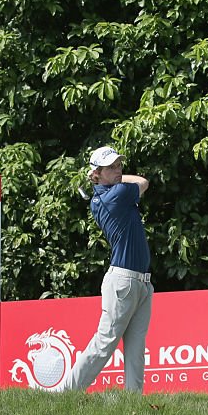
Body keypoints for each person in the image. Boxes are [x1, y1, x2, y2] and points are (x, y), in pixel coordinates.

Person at [68, 145, 154, 392]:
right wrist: (114, 178)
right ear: (96, 174)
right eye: (111, 167)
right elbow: (143, 181)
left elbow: (133, 181)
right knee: (104, 343)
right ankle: (66, 392)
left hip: (142, 283)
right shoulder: (116, 195)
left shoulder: (107, 194)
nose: (118, 170)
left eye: (119, 165)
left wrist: (106, 174)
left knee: (136, 349)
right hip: (124, 282)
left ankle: (132, 402)